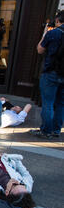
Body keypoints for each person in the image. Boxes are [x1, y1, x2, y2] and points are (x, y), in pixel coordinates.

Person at [30, 11, 64, 139]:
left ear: (57, 20)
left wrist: (45, 34)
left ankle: (46, 131)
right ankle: (56, 130)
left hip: (51, 72)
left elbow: (40, 49)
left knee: (48, 103)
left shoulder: (53, 33)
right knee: (61, 103)